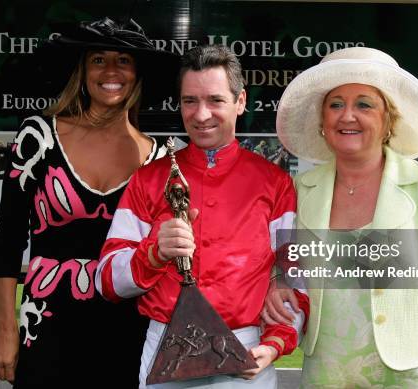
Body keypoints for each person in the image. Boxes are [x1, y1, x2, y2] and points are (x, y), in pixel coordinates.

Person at [96, 44, 309, 388]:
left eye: (215, 100)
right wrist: (154, 253)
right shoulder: (149, 179)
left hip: (245, 353)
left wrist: (274, 344)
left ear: (240, 102)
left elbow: (297, 279)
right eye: (190, 101)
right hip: (166, 348)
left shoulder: (275, 183)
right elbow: (106, 281)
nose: (201, 114)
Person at [0, 17, 178, 388]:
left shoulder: (159, 158)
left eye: (123, 60)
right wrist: (4, 327)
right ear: (82, 71)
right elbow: (8, 237)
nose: (111, 71)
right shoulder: (38, 136)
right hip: (46, 326)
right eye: (98, 60)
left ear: (137, 73)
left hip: (130, 330)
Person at [269, 47, 418, 388]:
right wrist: (277, 281)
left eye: (364, 104)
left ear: (388, 119)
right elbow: (286, 268)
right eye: (335, 104)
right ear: (322, 121)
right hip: (325, 375)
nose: (347, 116)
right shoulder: (300, 190)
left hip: (406, 378)